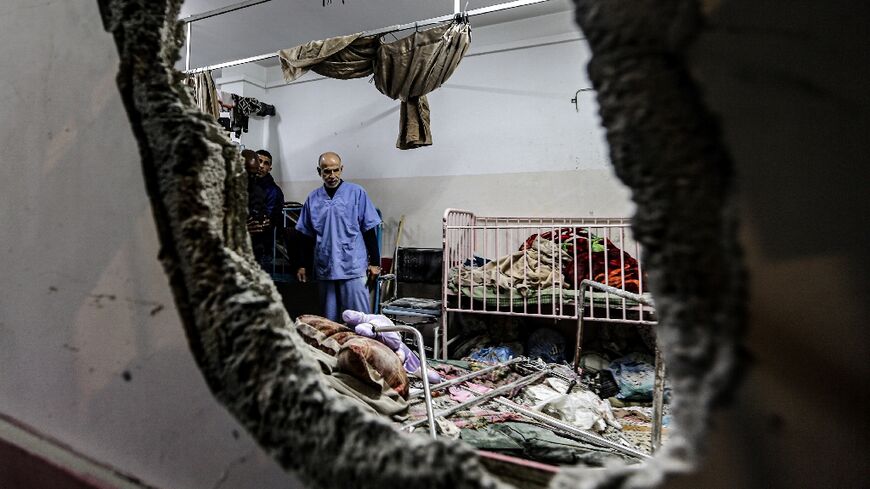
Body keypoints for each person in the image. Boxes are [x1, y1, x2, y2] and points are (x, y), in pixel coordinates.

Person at [295, 152, 382, 321]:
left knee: (360, 320)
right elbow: (305, 236)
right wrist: (302, 265)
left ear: (341, 169)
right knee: (329, 322)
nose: (332, 175)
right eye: (326, 171)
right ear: (319, 171)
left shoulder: (357, 193)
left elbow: (369, 230)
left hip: (353, 266)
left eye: (336, 170)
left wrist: (375, 263)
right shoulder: (313, 198)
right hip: (326, 266)